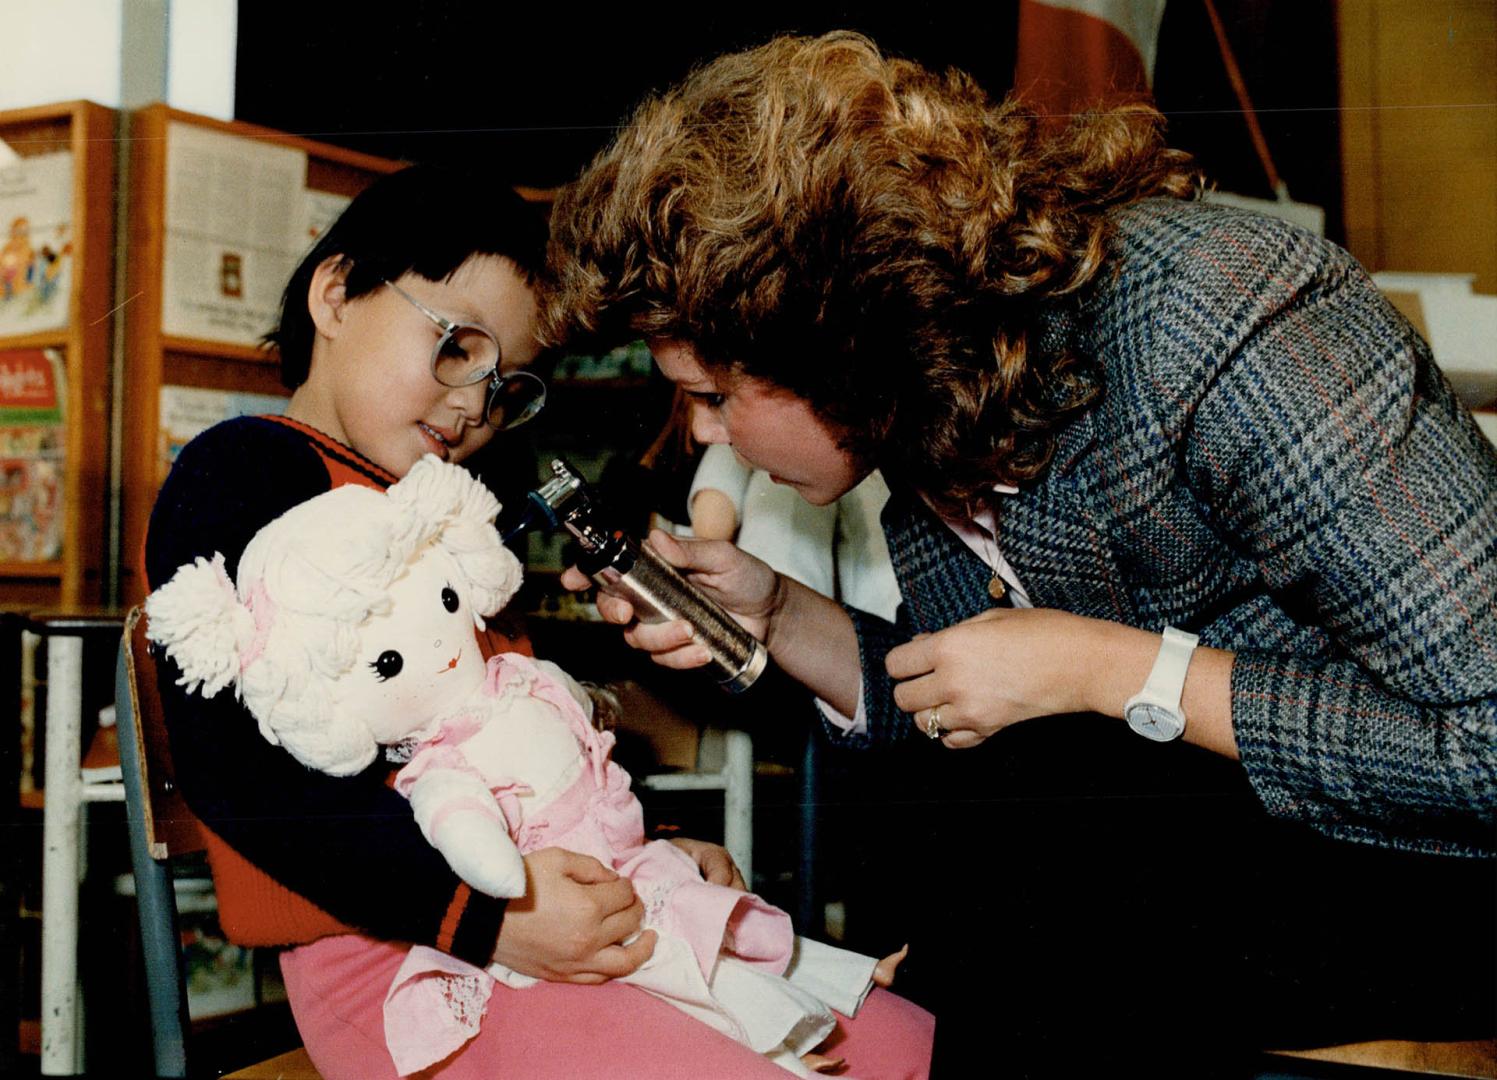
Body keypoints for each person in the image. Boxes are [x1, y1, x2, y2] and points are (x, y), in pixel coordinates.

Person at [541, 32, 1497, 1076]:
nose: (706, 435)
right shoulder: (932, 401)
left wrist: (1110, 670)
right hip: (1211, 868)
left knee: (1014, 921)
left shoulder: (1227, 321)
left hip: (1419, 868)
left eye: (715, 396)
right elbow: (981, 696)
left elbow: (1485, 744)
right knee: (984, 905)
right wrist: (773, 614)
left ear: (830, 337)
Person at [144, 164, 933, 1080]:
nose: (477, 404)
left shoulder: (444, 515)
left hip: (543, 921)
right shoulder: (245, 472)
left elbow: (509, 745)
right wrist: (489, 921)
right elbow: (240, 775)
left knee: (904, 1048)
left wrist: (638, 853)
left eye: (509, 384)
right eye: (455, 347)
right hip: (406, 966)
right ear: (335, 294)